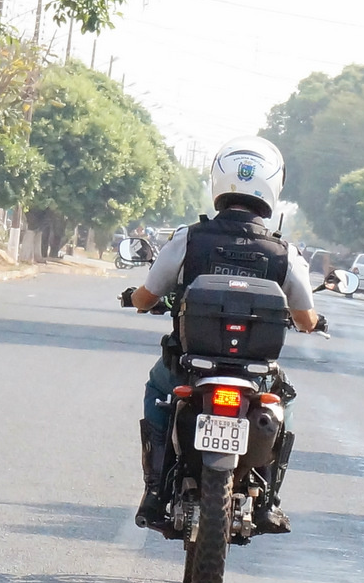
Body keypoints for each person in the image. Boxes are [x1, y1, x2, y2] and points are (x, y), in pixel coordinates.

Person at [125, 136, 322, 535]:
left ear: (219, 182)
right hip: (256, 375)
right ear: (273, 187)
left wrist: (135, 299)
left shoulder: (188, 239)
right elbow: (304, 319)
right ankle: (268, 500)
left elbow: (147, 296)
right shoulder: (284, 253)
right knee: (285, 402)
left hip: (188, 367)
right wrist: (315, 322)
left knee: (157, 389)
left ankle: (154, 490)